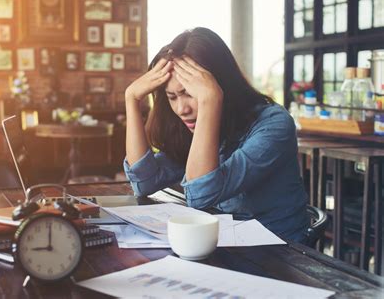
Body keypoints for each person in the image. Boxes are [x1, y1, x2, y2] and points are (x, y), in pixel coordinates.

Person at [123, 27, 309, 243]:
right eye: (172, 97)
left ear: (221, 85)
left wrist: (209, 101)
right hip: (223, 242)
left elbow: (201, 195)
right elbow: (144, 182)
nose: (182, 109)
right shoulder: (193, 125)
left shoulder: (273, 124)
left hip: (279, 251)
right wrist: (131, 99)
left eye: (189, 93)